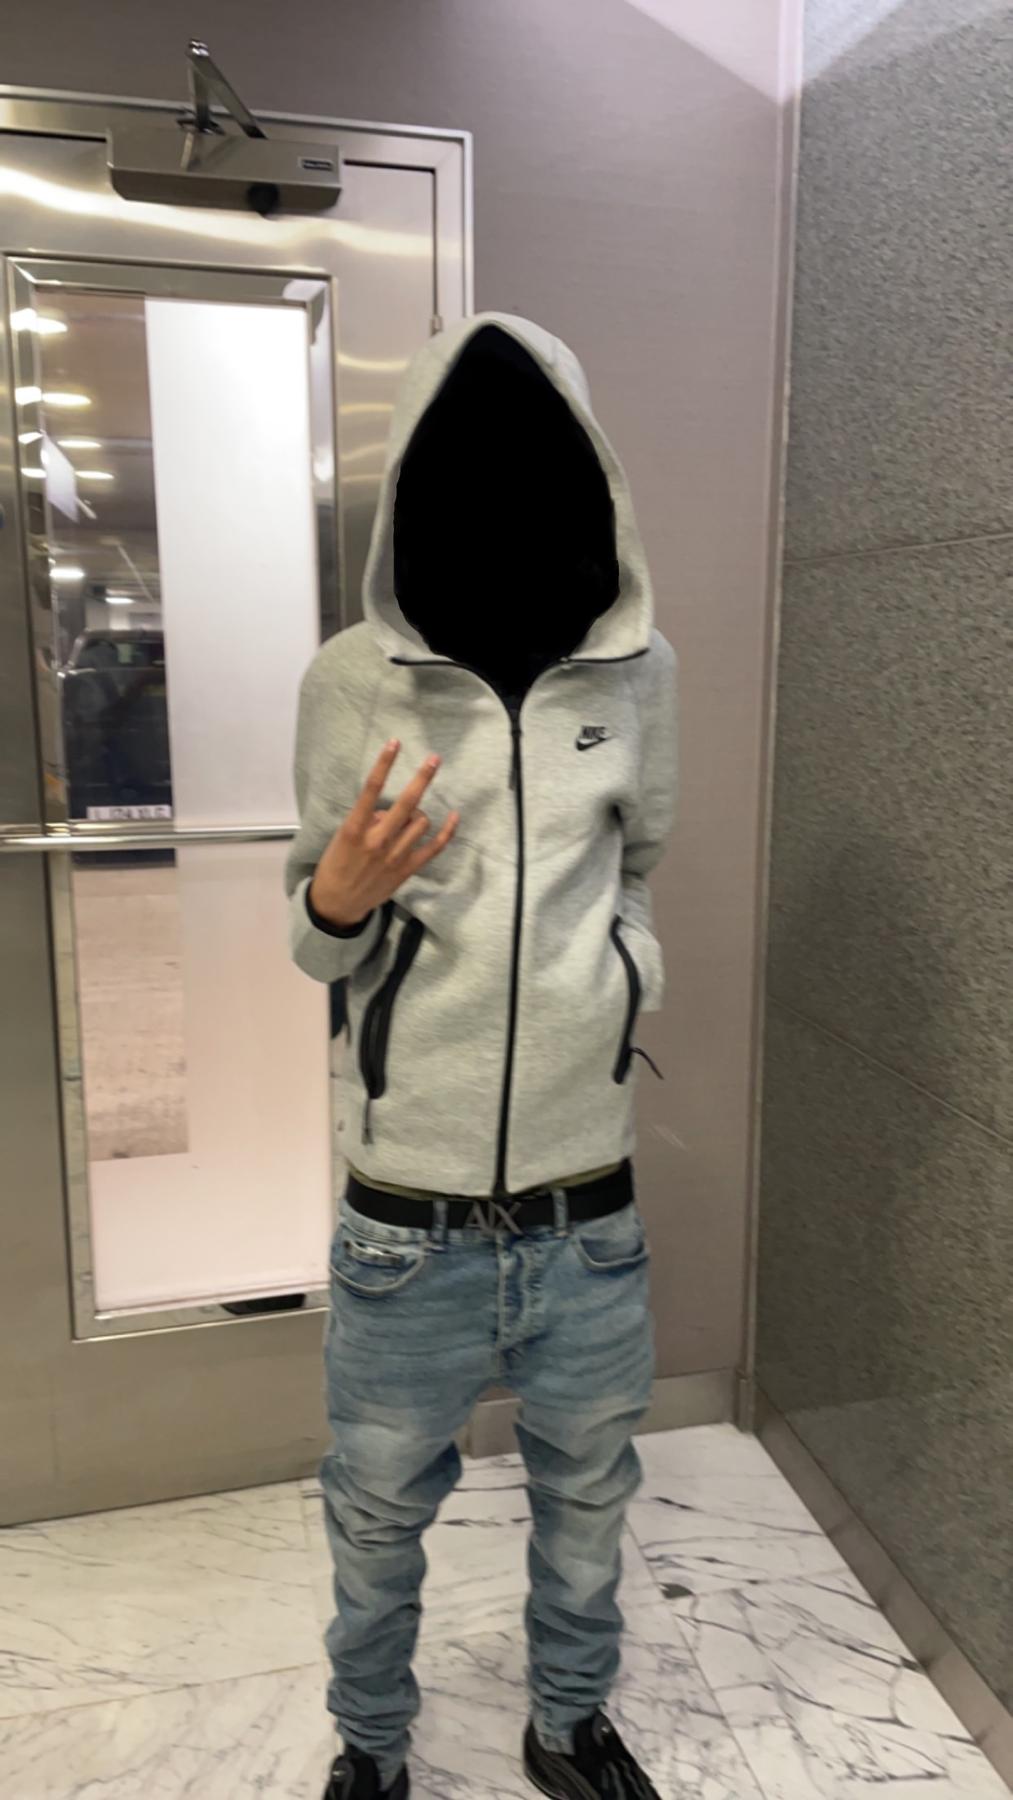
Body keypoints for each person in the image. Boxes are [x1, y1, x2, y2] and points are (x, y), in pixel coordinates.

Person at [285, 313, 677, 1800]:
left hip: (588, 1215)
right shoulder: (352, 680)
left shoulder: (639, 675)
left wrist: (625, 972)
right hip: (408, 1227)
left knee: (588, 1504)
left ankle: (568, 1727)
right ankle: (372, 1754)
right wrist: (337, 900)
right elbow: (314, 935)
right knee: (377, 1516)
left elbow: (640, 867)